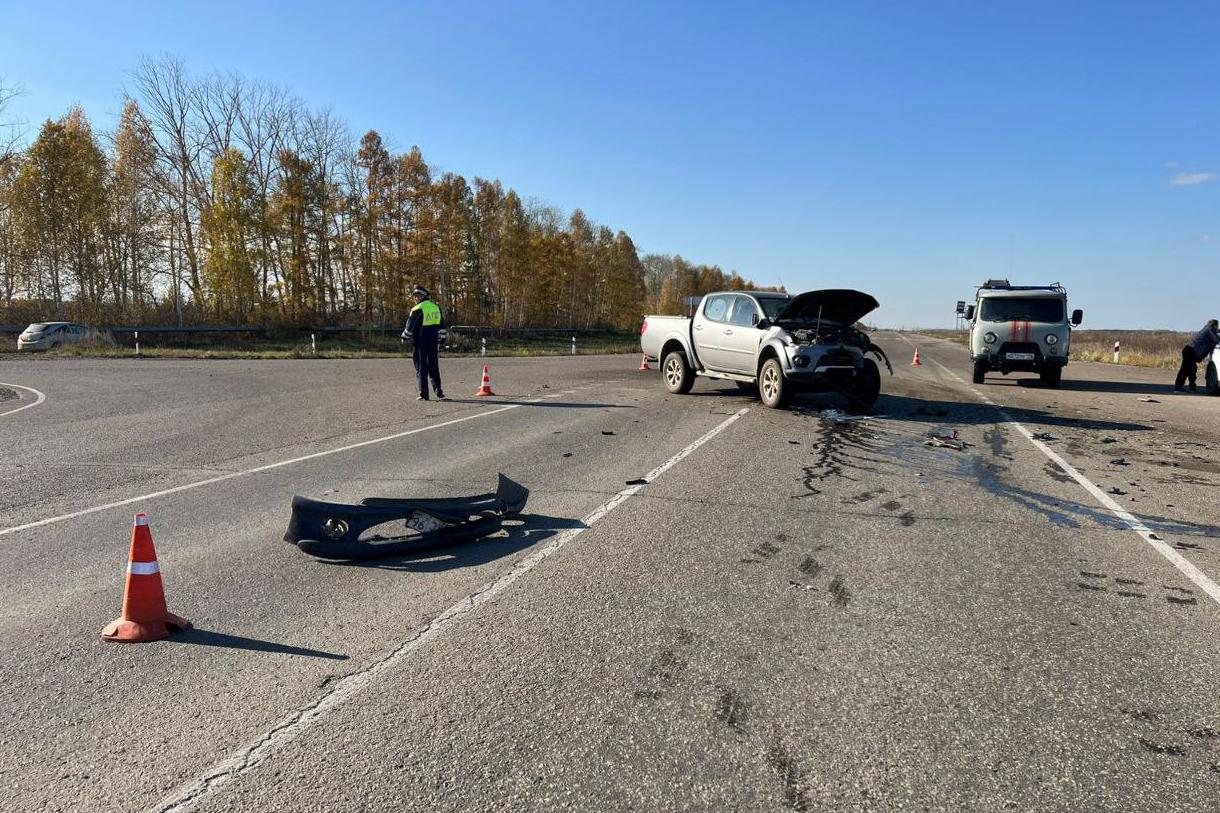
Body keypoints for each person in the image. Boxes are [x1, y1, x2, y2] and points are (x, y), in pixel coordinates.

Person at [402, 286, 446, 400]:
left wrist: (404, 337)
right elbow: (442, 326)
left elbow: (410, 327)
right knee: (434, 367)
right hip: (433, 342)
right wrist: (441, 339)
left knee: (421, 368)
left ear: (423, 296)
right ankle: (439, 392)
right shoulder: (436, 307)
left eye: (418, 296)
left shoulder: (417, 309)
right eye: (414, 296)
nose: (415, 298)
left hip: (420, 342)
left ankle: (424, 394)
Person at [1174, 319, 1220, 392]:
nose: (1217, 328)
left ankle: (1191, 387)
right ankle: (1178, 387)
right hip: (1191, 351)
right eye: (1217, 326)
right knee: (1185, 369)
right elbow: (1217, 340)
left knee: (1192, 369)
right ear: (1214, 325)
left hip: (1190, 351)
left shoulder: (1207, 329)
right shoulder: (1209, 330)